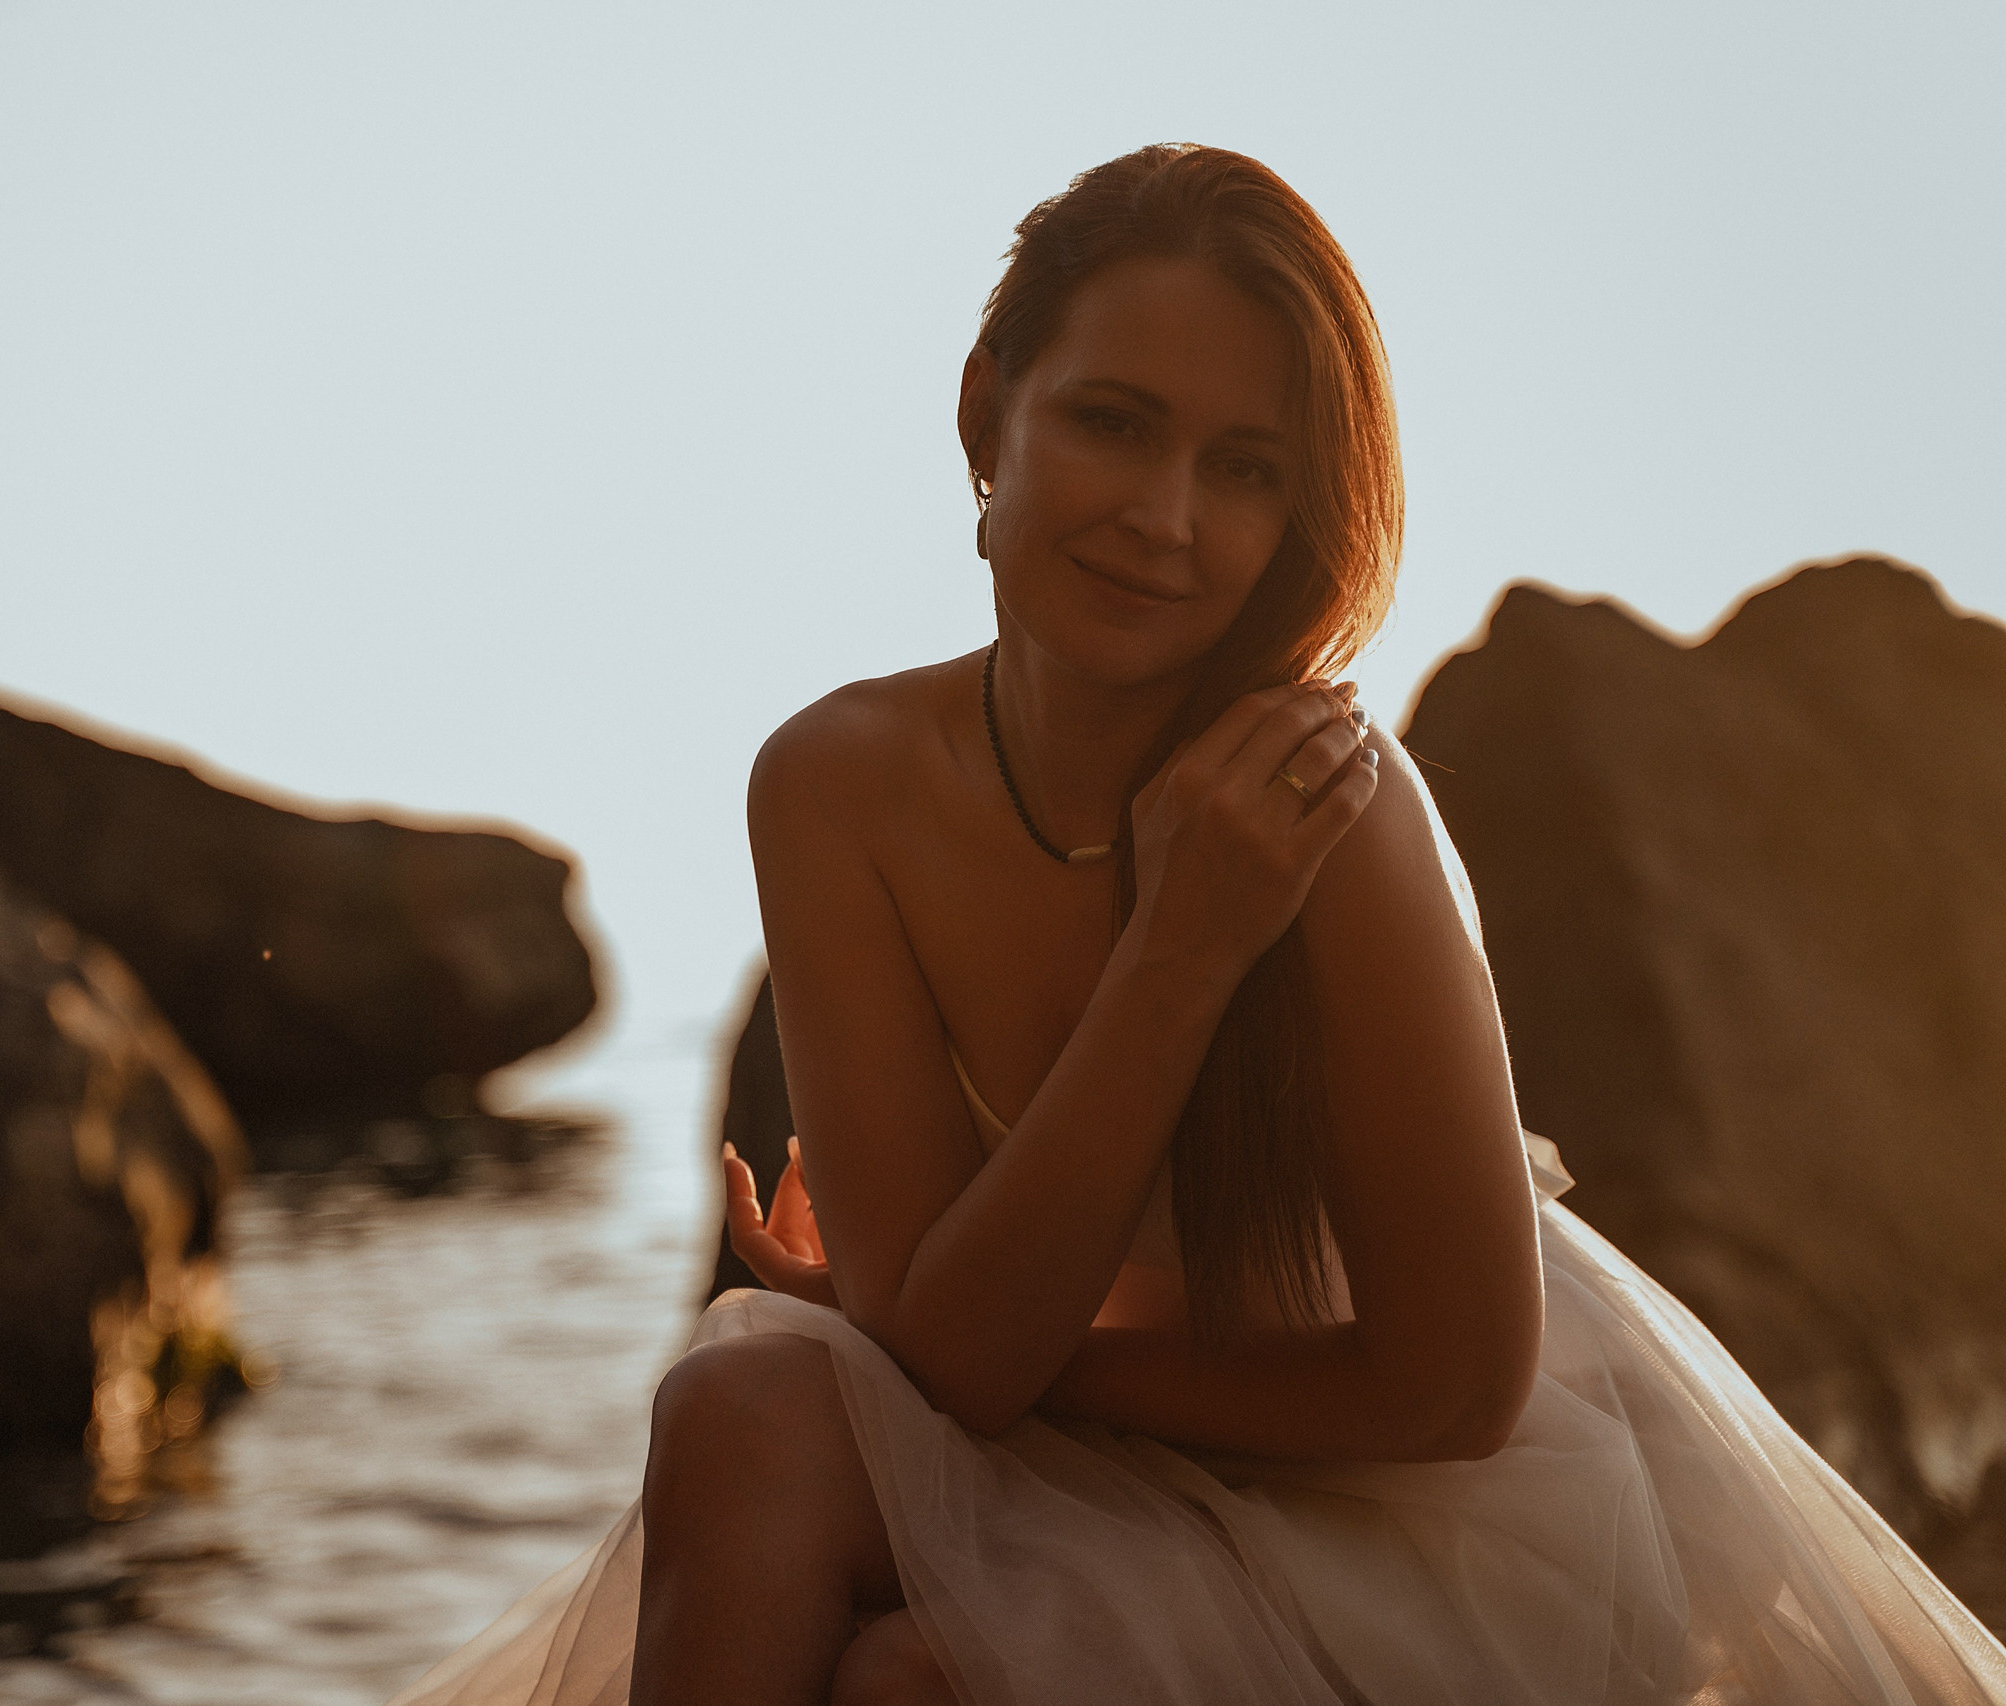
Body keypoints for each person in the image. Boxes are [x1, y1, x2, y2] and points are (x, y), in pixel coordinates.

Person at [388, 145, 2006, 1706]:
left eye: (1245, 468)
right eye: (1114, 423)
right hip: (1095, 1454)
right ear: (987, 414)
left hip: (1412, 1509)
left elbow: (1452, 1388)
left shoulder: (1331, 813)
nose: (1166, 517)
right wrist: (932, 1334)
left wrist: (1194, 942)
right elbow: (950, 1347)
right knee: (737, 1403)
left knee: (916, 1680)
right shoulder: (834, 784)